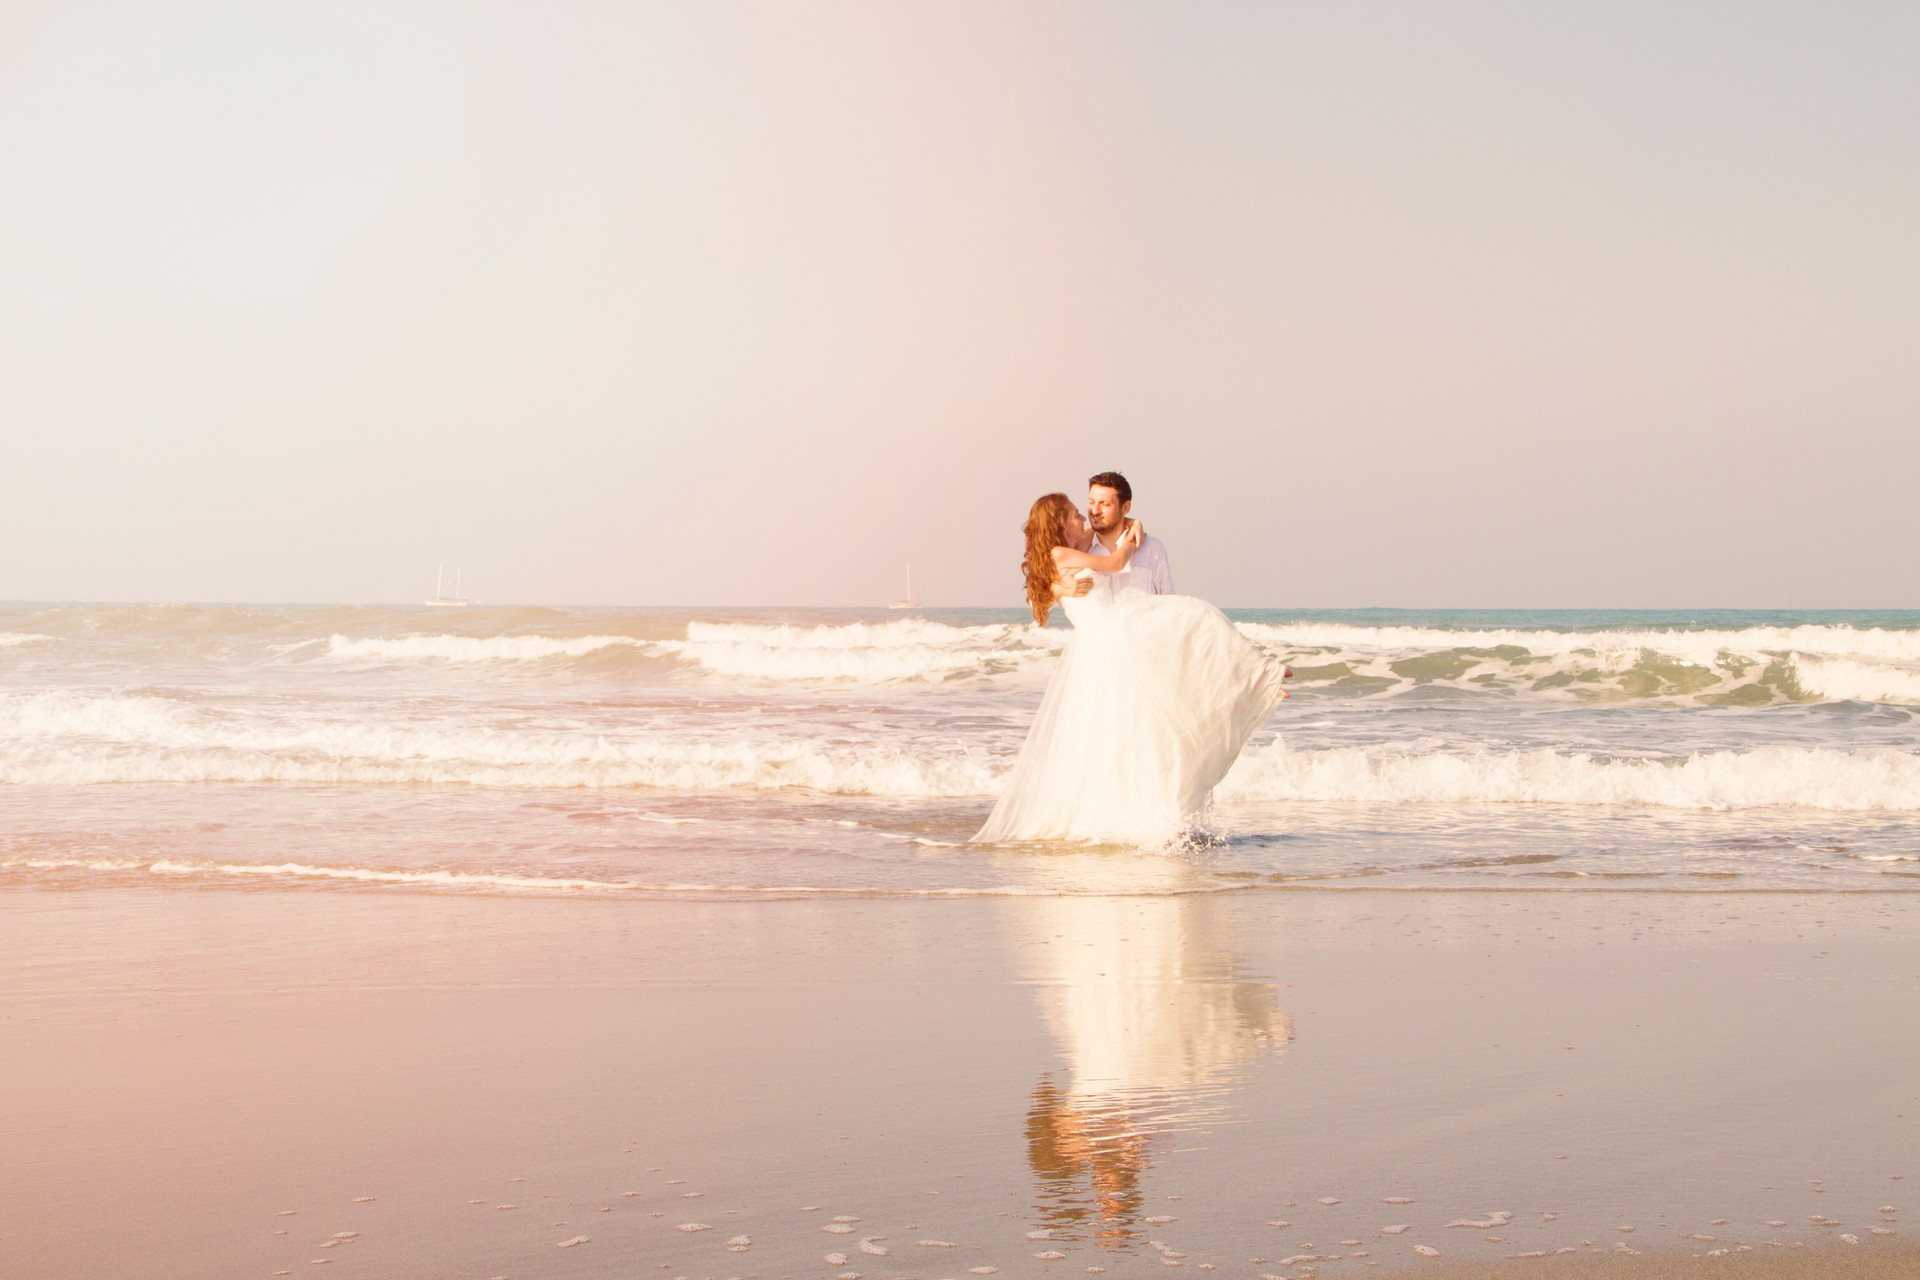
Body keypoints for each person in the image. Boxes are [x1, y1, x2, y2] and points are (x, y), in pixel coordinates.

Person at [972, 492, 1290, 847]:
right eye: (1076, 514)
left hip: (1105, 643)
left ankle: (1255, 677)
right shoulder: (1061, 554)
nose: (1083, 518)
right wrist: (1123, 545)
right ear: (1060, 523)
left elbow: (1051, 588)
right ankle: (1256, 677)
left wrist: (1134, 524)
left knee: (1131, 731)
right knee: (1198, 616)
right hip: (1113, 633)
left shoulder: (1063, 558)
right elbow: (1115, 562)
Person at [1088, 471, 1173, 595]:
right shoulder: (1082, 549)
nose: (1095, 510)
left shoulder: (1152, 548)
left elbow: (1169, 600)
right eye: (1091, 502)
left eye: (1104, 504)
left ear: (1125, 508)